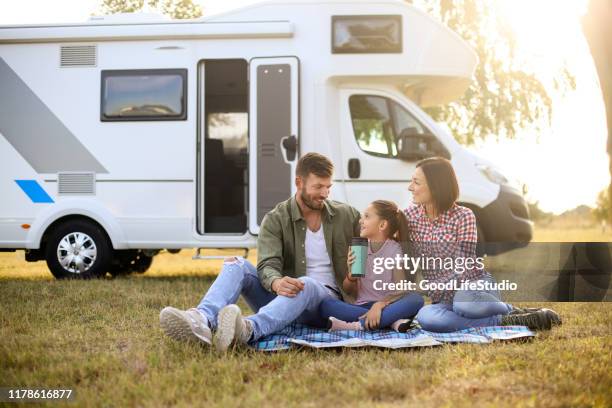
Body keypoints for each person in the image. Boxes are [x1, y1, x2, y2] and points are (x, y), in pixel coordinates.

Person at [159, 152, 361, 351]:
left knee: (305, 284)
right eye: (318, 187)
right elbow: (267, 265)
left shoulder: (348, 216)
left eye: (328, 187)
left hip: (325, 305)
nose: (325, 194)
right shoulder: (276, 219)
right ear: (299, 182)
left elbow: (375, 249)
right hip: (283, 300)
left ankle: (248, 329)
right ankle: (201, 320)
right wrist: (276, 282)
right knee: (237, 263)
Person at [404, 157, 561, 332]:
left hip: (473, 287)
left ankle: (512, 310)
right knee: (428, 318)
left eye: (416, 183)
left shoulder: (463, 216)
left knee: (465, 306)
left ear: (435, 185)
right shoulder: (409, 216)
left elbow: (466, 268)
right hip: (443, 300)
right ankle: (510, 320)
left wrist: (430, 287)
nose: (410, 187)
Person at [319, 200, 424, 331]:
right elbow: (349, 290)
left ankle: (357, 326)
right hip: (362, 306)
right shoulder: (359, 248)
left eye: (367, 217)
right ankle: (390, 321)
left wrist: (379, 305)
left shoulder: (394, 249)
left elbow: (400, 289)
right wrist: (351, 276)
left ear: (382, 225)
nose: (360, 221)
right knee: (326, 305)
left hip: (388, 305)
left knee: (415, 300)